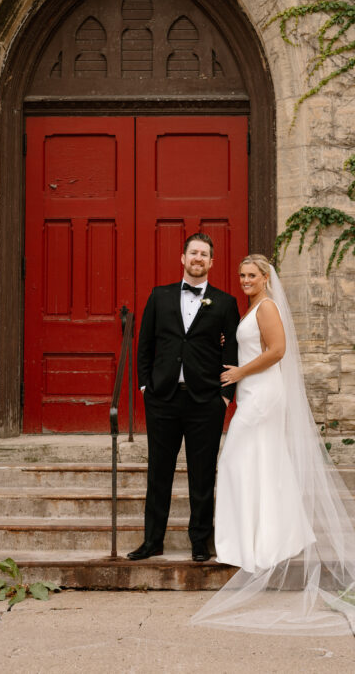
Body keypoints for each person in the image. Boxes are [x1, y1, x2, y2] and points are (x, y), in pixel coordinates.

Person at [191, 255, 355, 635]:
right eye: (242, 275)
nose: (245, 280)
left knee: (239, 460)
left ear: (266, 278)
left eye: (252, 275)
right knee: (255, 463)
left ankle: (263, 542)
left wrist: (239, 372)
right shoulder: (253, 307)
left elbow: (278, 351)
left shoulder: (266, 307)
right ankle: (259, 539)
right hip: (252, 393)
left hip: (263, 393)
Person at [129, 233, 240, 563]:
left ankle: (199, 542)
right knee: (158, 473)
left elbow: (232, 349)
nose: (198, 258)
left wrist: (225, 396)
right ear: (182, 258)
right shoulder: (159, 297)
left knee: (203, 474)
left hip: (205, 401)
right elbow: (145, 344)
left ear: (211, 262)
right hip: (162, 398)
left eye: (204, 254)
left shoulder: (225, 303)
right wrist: (145, 388)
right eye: (193, 252)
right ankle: (152, 541)